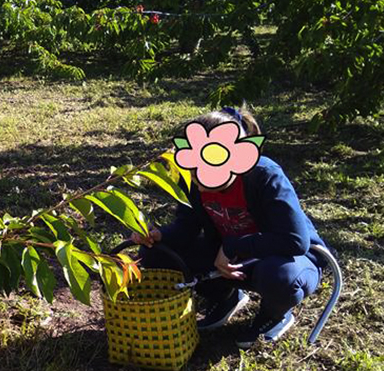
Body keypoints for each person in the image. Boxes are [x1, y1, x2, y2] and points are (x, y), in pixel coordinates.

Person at [132, 107, 326, 348]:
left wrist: (234, 245)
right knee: (156, 253)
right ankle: (224, 297)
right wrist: (159, 234)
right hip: (232, 259)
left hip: (287, 258)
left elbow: (295, 241)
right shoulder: (192, 176)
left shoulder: (264, 175)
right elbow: (186, 226)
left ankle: (274, 315)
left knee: (280, 277)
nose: (195, 177)